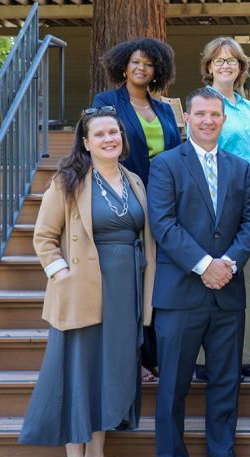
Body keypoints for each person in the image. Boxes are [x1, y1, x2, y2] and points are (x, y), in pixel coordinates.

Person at [19, 106, 156, 457]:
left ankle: (97, 455)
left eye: (114, 132)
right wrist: (61, 273)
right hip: (81, 289)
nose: (109, 139)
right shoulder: (68, 181)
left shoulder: (133, 181)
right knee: (79, 372)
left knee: (110, 371)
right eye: (100, 134)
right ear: (85, 142)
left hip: (126, 288)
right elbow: (43, 236)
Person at [147, 87, 250, 457]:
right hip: (181, 293)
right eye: (201, 114)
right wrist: (203, 265)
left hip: (227, 292)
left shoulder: (239, 167)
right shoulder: (165, 165)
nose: (209, 121)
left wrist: (227, 264)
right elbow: (163, 224)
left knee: (226, 379)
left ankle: (220, 456)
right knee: (173, 383)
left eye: (215, 115)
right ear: (187, 119)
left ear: (223, 120)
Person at [93, 37, 182, 383]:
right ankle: (133, 358)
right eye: (135, 62)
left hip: (162, 201)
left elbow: (176, 154)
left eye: (148, 63)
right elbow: (97, 145)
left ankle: (153, 355)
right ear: (123, 66)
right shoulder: (107, 102)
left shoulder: (163, 109)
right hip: (124, 198)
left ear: (157, 69)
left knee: (155, 279)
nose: (141, 68)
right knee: (129, 280)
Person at [194, 36, 250, 381]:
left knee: (245, 274)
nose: (225, 65)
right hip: (210, 205)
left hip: (247, 202)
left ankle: (244, 356)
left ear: (241, 68)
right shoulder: (203, 106)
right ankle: (201, 360)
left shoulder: (247, 108)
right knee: (207, 276)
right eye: (218, 60)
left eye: (232, 60)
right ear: (209, 67)